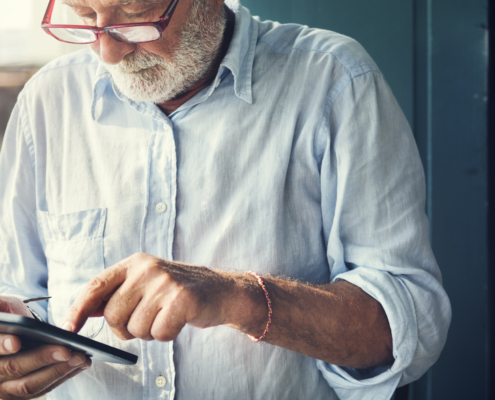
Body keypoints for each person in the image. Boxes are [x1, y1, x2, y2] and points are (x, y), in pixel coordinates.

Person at [0, 0, 452, 398]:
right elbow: (24, 294)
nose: (107, 51)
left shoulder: (335, 80)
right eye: (85, 17)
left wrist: (237, 297)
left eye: (135, 17)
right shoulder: (48, 99)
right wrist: (12, 345)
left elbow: (410, 330)